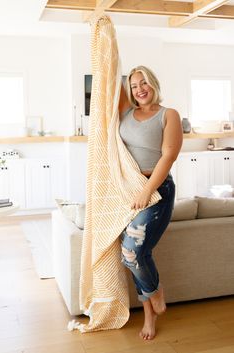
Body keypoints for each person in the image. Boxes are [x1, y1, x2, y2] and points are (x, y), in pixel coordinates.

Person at [118, 66, 183, 340]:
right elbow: (109, 75)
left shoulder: (169, 115)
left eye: (144, 82)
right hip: (127, 191)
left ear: (153, 83)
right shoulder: (126, 112)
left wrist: (147, 190)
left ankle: (155, 290)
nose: (139, 88)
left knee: (132, 252)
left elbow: (169, 155)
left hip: (156, 191)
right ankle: (149, 315)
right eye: (134, 85)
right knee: (135, 256)